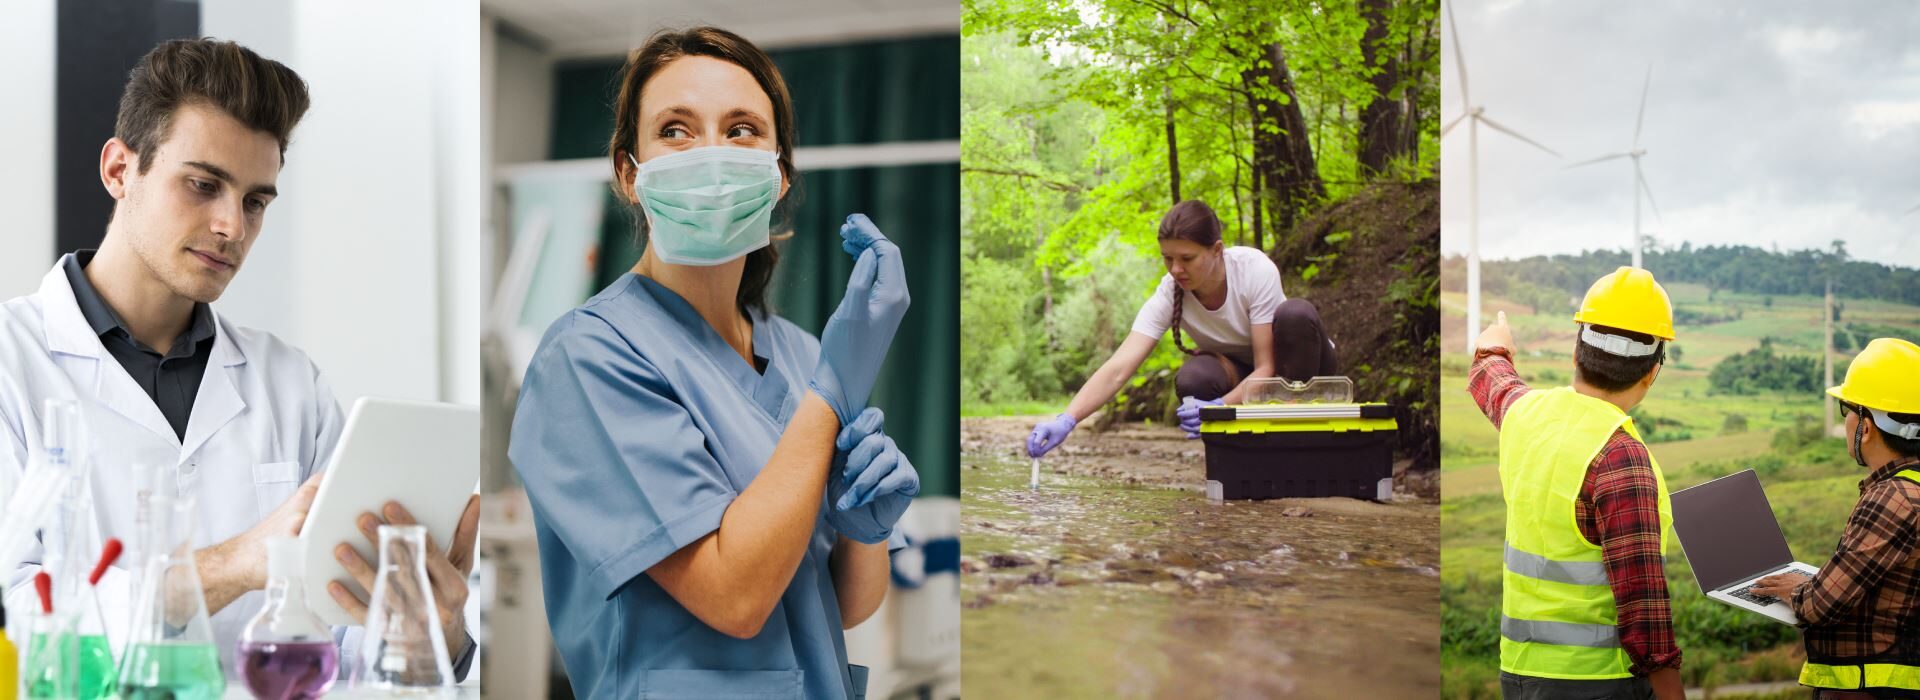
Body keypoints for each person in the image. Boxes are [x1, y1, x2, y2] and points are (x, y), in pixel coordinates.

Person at [0, 38, 477, 676]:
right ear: (119, 170)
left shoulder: (290, 384)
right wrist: (238, 563)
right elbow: (17, 623)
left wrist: (433, 638)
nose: (234, 227)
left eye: (255, 201)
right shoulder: (12, 361)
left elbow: (348, 642)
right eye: (203, 185)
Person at [507, 26, 917, 700]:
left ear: (779, 173)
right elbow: (735, 598)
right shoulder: (587, 357)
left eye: (742, 130)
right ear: (628, 174)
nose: (712, 156)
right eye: (675, 129)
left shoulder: (802, 355)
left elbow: (835, 606)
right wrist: (831, 395)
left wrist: (863, 529)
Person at [1471, 267, 1683, 700]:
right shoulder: (1622, 459)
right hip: (1597, 683)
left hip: (1518, 673)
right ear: (1652, 372)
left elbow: (1489, 376)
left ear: (1576, 352)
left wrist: (1494, 342)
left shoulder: (1525, 415)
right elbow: (1645, 613)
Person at [1026, 199, 1336, 457]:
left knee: (1296, 313)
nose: (1176, 269)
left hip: (1298, 368)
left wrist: (1218, 407)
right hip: (1243, 374)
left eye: (1187, 258)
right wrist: (1067, 419)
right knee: (1194, 377)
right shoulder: (1169, 291)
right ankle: (1242, 459)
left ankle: (1304, 447)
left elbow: (1267, 368)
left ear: (1217, 250)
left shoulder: (1254, 269)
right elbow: (1119, 368)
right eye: (1168, 258)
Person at [1751, 338, 1920, 699]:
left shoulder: (1893, 498)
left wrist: (1797, 590)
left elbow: (1819, 605)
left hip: (1871, 690)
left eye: (1847, 410)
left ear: (1867, 426)